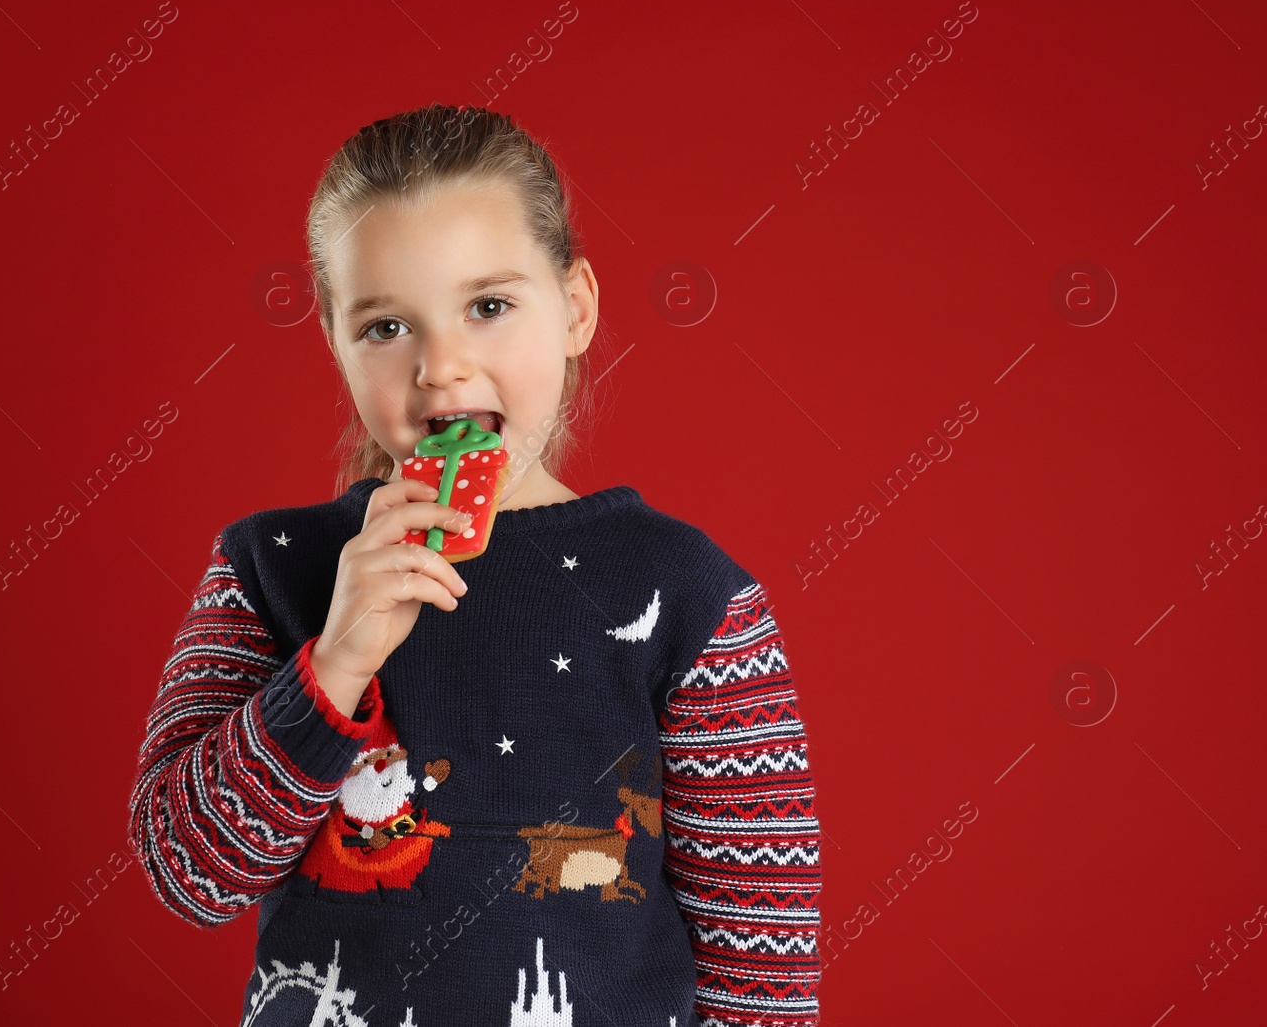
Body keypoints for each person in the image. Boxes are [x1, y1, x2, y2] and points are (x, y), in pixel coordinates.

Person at [127, 104, 821, 1027]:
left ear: (574, 309)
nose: (442, 368)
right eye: (385, 327)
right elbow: (187, 875)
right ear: (333, 338)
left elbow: (764, 958)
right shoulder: (271, 566)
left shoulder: (690, 591)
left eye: (488, 307)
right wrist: (333, 666)